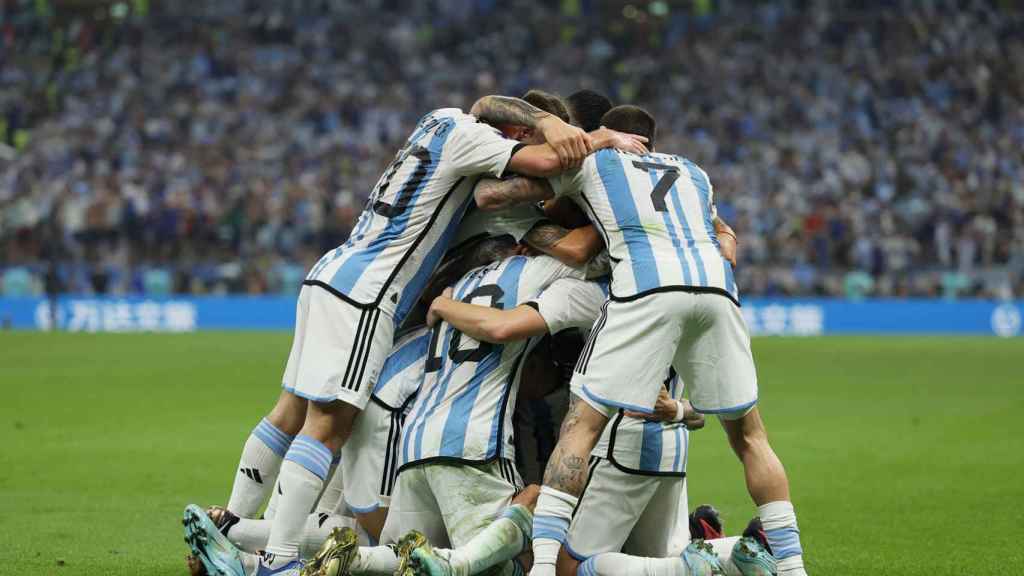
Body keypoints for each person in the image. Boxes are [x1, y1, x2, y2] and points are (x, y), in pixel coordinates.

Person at [183, 95, 623, 576]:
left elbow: (490, 121)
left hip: (334, 271)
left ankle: (229, 526)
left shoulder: (437, 121)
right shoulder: (477, 146)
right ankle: (277, 560)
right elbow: (532, 175)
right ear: (515, 132)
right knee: (327, 426)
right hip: (372, 293)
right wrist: (597, 144)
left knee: (289, 414)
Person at [473, 105, 808, 576]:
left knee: (581, 426)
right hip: (716, 287)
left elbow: (494, 195)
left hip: (647, 286)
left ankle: (544, 567)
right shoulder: (693, 173)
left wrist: (589, 146)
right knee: (750, 435)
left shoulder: (593, 160)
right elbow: (725, 242)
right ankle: (792, 566)